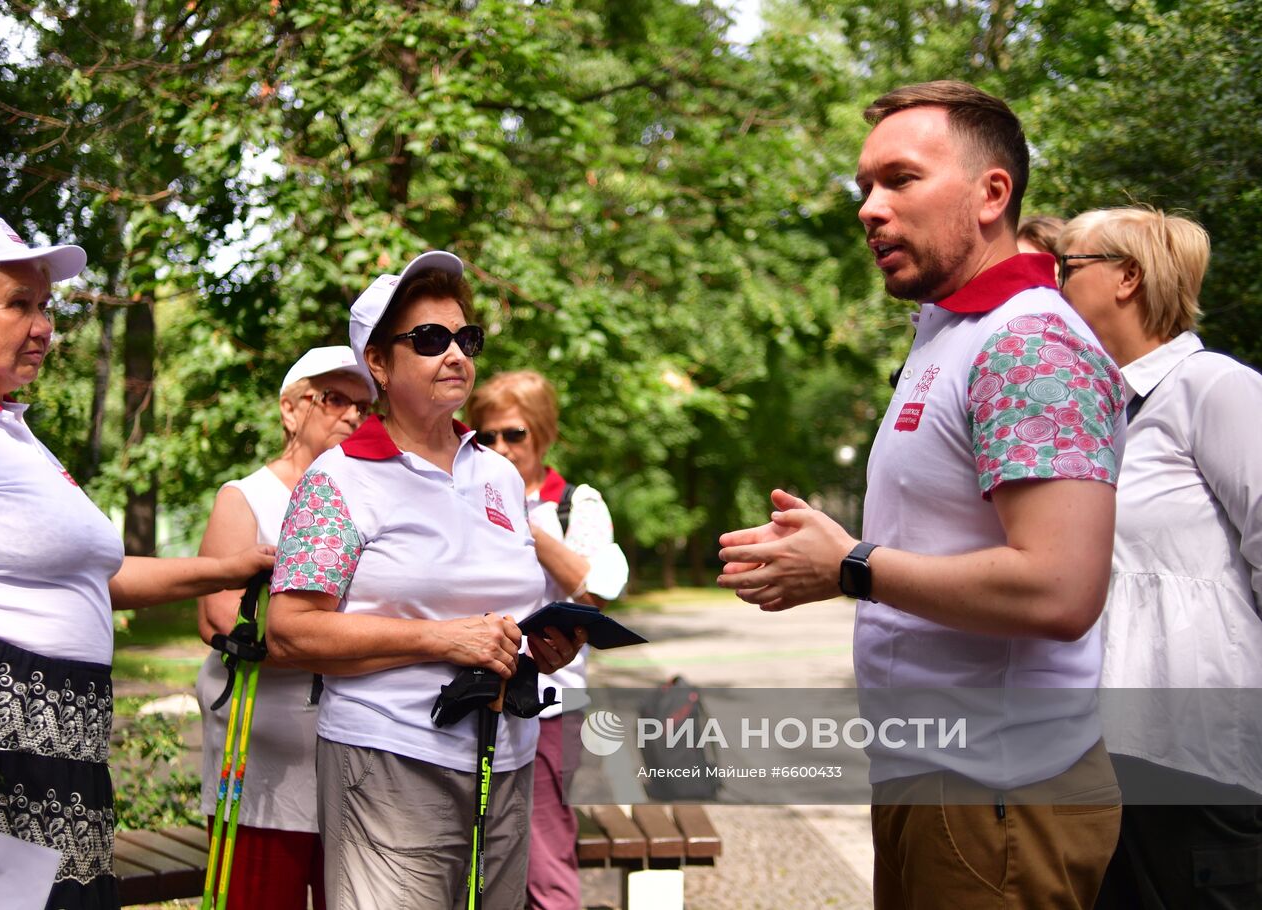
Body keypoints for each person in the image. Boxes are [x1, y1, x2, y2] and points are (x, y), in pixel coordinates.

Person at [717, 82, 1126, 908]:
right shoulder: (951, 332)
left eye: (900, 180)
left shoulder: (1028, 342)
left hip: (1001, 789)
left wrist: (850, 567)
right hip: (937, 776)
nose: (869, 208)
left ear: (991, 194)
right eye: (864, 186)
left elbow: (1061, 588)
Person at [0, 217, 273, 910]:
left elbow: (93, 578)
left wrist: (235, 566)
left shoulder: (4, 430)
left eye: (46, 306)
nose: (45, 325)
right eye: (18, 303)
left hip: (46, 762)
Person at [264, 251, 586, 910]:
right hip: (390, 760)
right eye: (431, 340)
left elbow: (507, 608)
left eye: (465, 338)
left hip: (508, 756)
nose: (456, 356)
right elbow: (290, 632)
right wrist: (446, 641)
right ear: (378, 362)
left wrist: (545, 645)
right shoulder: (338, 480)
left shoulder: (496, 474)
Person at [1055, 206, 1262, 908]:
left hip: (1201, 752)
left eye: (1067, 266)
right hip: (1103, 756)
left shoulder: (1216, 388)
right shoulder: (1092, 411)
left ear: (1128, 277)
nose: (1051, 285)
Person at [193, 345, 372, 910]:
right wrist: (350, 647)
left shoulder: (370, 499)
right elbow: (219, 617)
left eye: (365, 407)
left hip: (358, 759)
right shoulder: (246, 497)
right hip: (263, 762)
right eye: (335, 399)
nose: (352, 416)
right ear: (291, 410)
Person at [466, 370, 629, 910]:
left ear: (542, 434)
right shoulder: (460, 493)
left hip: (552, 706)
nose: (500, 448)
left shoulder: (572, 503)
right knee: (473, 857)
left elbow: (595, 594)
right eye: (487, 436)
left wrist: (525, 524)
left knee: (543, 856)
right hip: (469, 698)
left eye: (515, 435)